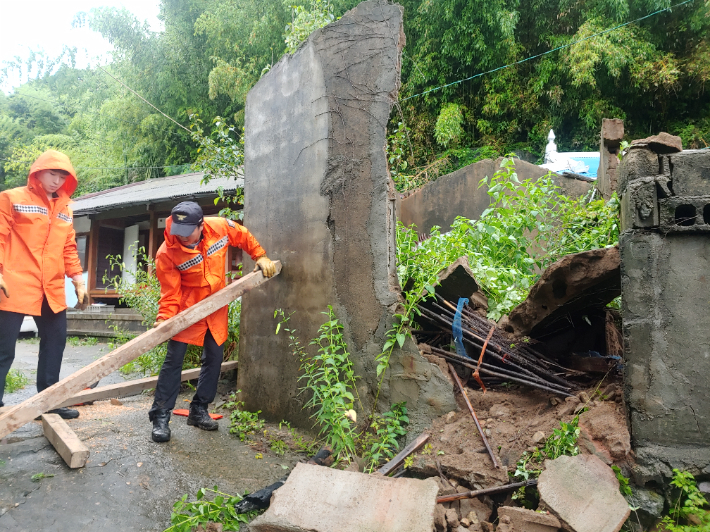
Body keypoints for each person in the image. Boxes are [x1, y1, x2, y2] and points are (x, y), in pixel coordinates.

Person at [149, 201, 275, 443]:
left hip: (216, 307)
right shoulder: (167, 252)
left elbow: (243, 235)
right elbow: (170, 293)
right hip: (186, 312)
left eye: (188, 233)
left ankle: (199, 410)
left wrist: (260, 255)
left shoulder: (219, 227)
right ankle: (161, 416)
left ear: (200, 226)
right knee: (173, 361)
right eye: (178, 232)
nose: (182, 238)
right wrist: (165, 318)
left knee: (214, 358)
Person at [0, 150, 89, 418]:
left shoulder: (65, 208)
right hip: (15, 282)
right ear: (38, 171)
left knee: (55, 341)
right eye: (53, 174)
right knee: (3, 348)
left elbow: (69, 247)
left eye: (62, 176)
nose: (57, 181)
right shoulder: (12, 198)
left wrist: (77, 279)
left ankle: (47, 403)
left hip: (50, 286)